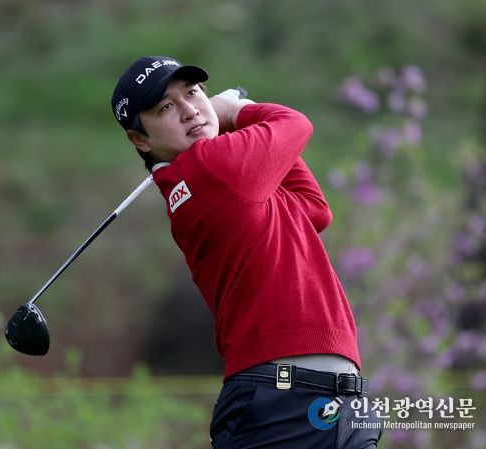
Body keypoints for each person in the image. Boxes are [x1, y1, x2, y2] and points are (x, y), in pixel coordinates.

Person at [111, 55, 382, 448]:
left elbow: (314, 210)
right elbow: (294, 124)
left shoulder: (220, 178)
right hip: (283, 399)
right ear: (140, 139)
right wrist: (234, 111)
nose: (190, 110)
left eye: (193, 93)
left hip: (333, 401)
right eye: (166, 107)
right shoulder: (209, 166)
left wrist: (229, 124)